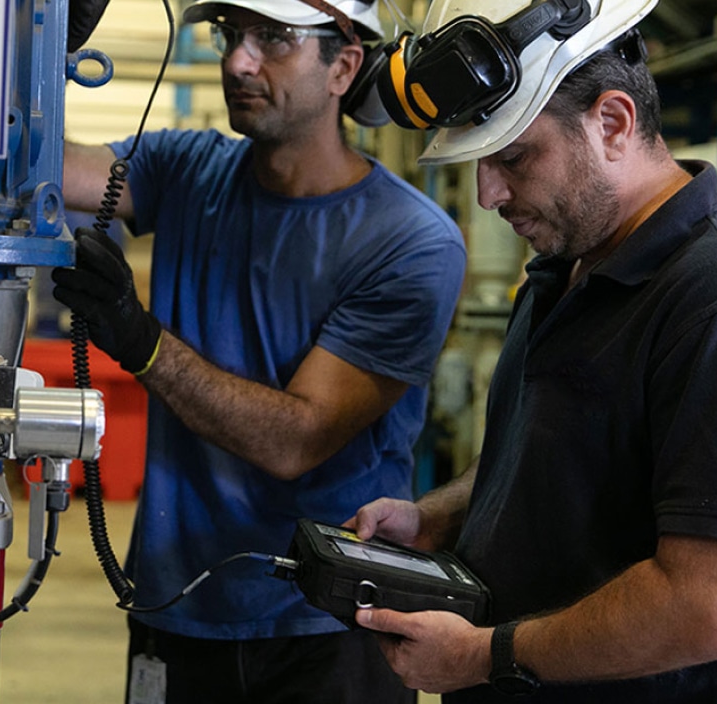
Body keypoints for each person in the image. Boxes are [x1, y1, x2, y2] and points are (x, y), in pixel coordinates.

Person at [344, 0, 717, 700]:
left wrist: (486, 655)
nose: (487, 194)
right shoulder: (563, 268)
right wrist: (440, 514)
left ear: (611, 122)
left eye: (511, 157)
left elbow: (712, 604)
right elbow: (546, 453)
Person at [51, 0, 466, 701]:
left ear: (343, 64)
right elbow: (35, 166)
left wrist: (140, 340)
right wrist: (36, 47)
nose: (238, 61)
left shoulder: (409, 241)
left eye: (273, 38)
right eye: (230, 34)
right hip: (173, 608)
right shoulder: (185, 169)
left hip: (324, 627)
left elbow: (298, 438)